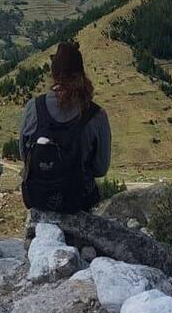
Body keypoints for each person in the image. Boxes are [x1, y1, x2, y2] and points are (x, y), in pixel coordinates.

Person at [19, 41, 111, 215]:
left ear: (53, 74)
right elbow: (101, 168)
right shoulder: (96, 115)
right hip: (78, 203)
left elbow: (25, 156)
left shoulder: (34, 107)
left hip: (37, 199)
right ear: (81, 75)